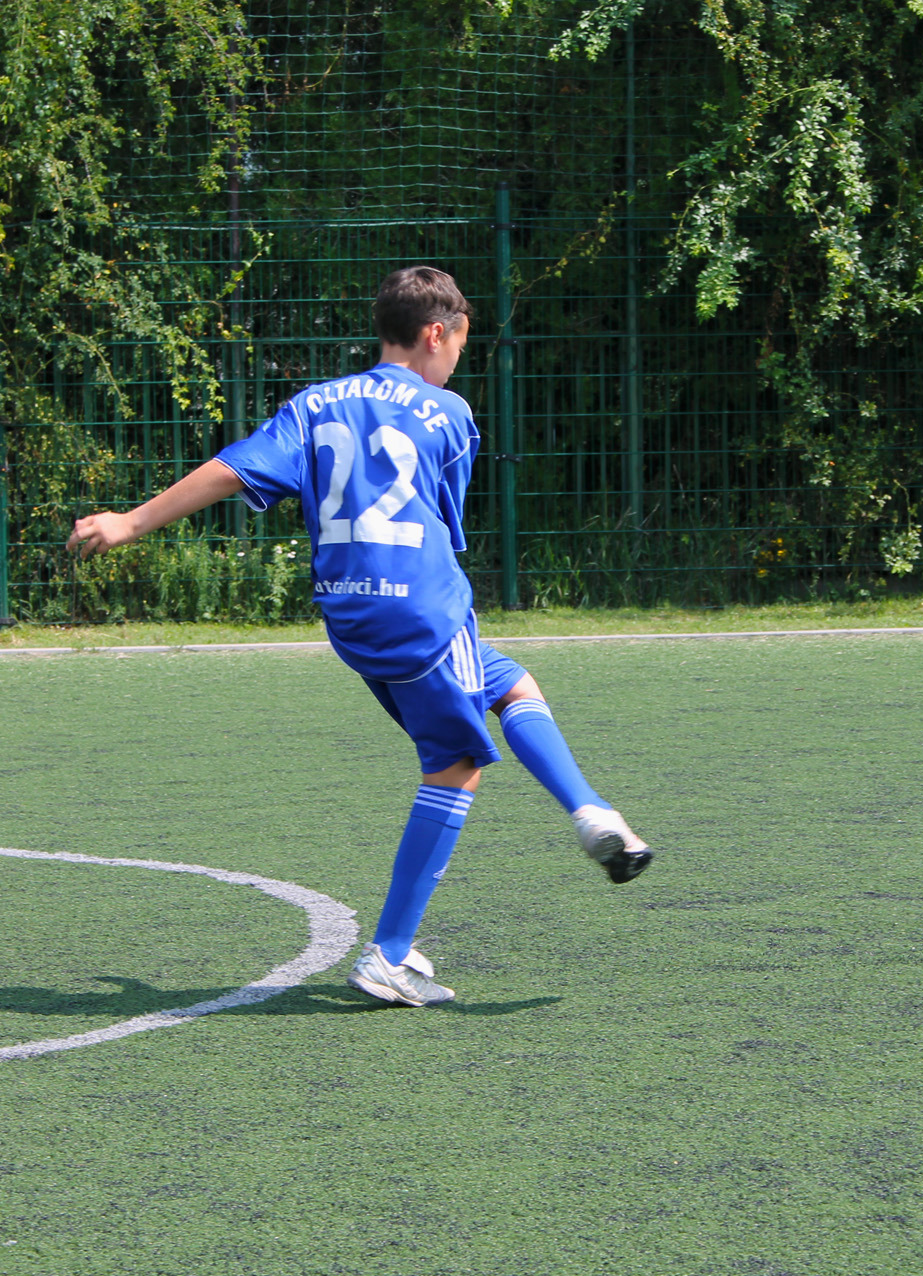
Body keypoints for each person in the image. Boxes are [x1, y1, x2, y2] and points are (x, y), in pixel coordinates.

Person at [66, 266, 654, 1006]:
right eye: (459, 344)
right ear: (436, 333)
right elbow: (442, 523)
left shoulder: (314, 403)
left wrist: (131, 520)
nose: (457, 360)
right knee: (454, 765)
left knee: (508, 683)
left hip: (350, 614)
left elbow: (231, 470)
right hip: (424, 610)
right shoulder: (450, 413)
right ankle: (390, 955)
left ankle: (591, 811)